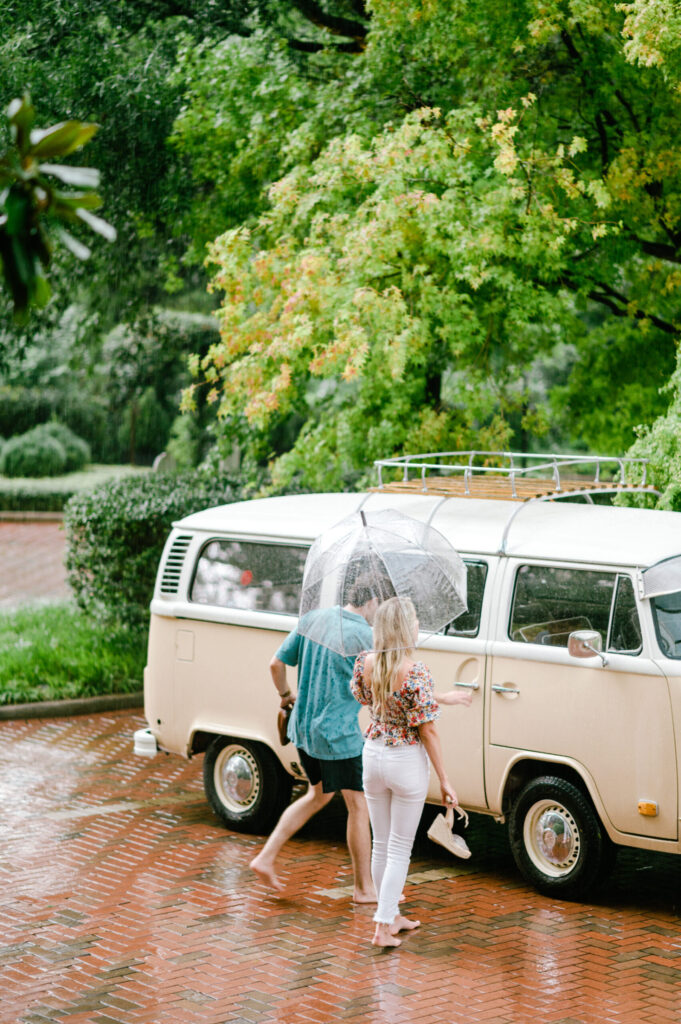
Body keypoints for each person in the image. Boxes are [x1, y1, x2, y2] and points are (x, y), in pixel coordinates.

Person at [351, 595, 470, 948]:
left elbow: (365, 698)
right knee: (400, 849)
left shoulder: (365, 663)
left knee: (382, 845)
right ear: (405, 628)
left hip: (373, 756)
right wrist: (446, 780)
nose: (419, 626)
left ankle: (392, 915)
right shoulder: (415, 670)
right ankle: (382, 926)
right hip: (405, 762)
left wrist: (439, 697)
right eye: (415, 621)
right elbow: (427, 730)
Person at [249, 580, 380, 901]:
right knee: (358, 806)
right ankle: (364, 888)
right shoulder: (365, 637)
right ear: (372, 600)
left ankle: (265, 858)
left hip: (304, 731)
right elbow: (375, 689)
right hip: (338, 737)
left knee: (318, 795)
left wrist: (285, 695)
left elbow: (275, 663)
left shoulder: (313, 619)